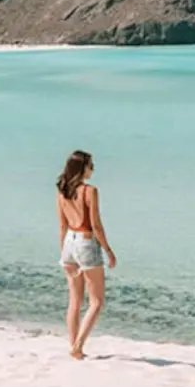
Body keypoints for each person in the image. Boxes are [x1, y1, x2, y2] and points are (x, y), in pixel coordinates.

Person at [56, 150, 116, 359]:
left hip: (69, 243)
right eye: (91, 165)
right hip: (85, 241)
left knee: (74, 300)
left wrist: (63, 252)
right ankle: (78, 346)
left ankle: (74, 346)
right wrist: (108, 250)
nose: (93, 169)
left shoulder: (62, 190)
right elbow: (96, 225)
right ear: (82, 168)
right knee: (97, 301)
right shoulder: (90, 191)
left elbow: (62, 224)